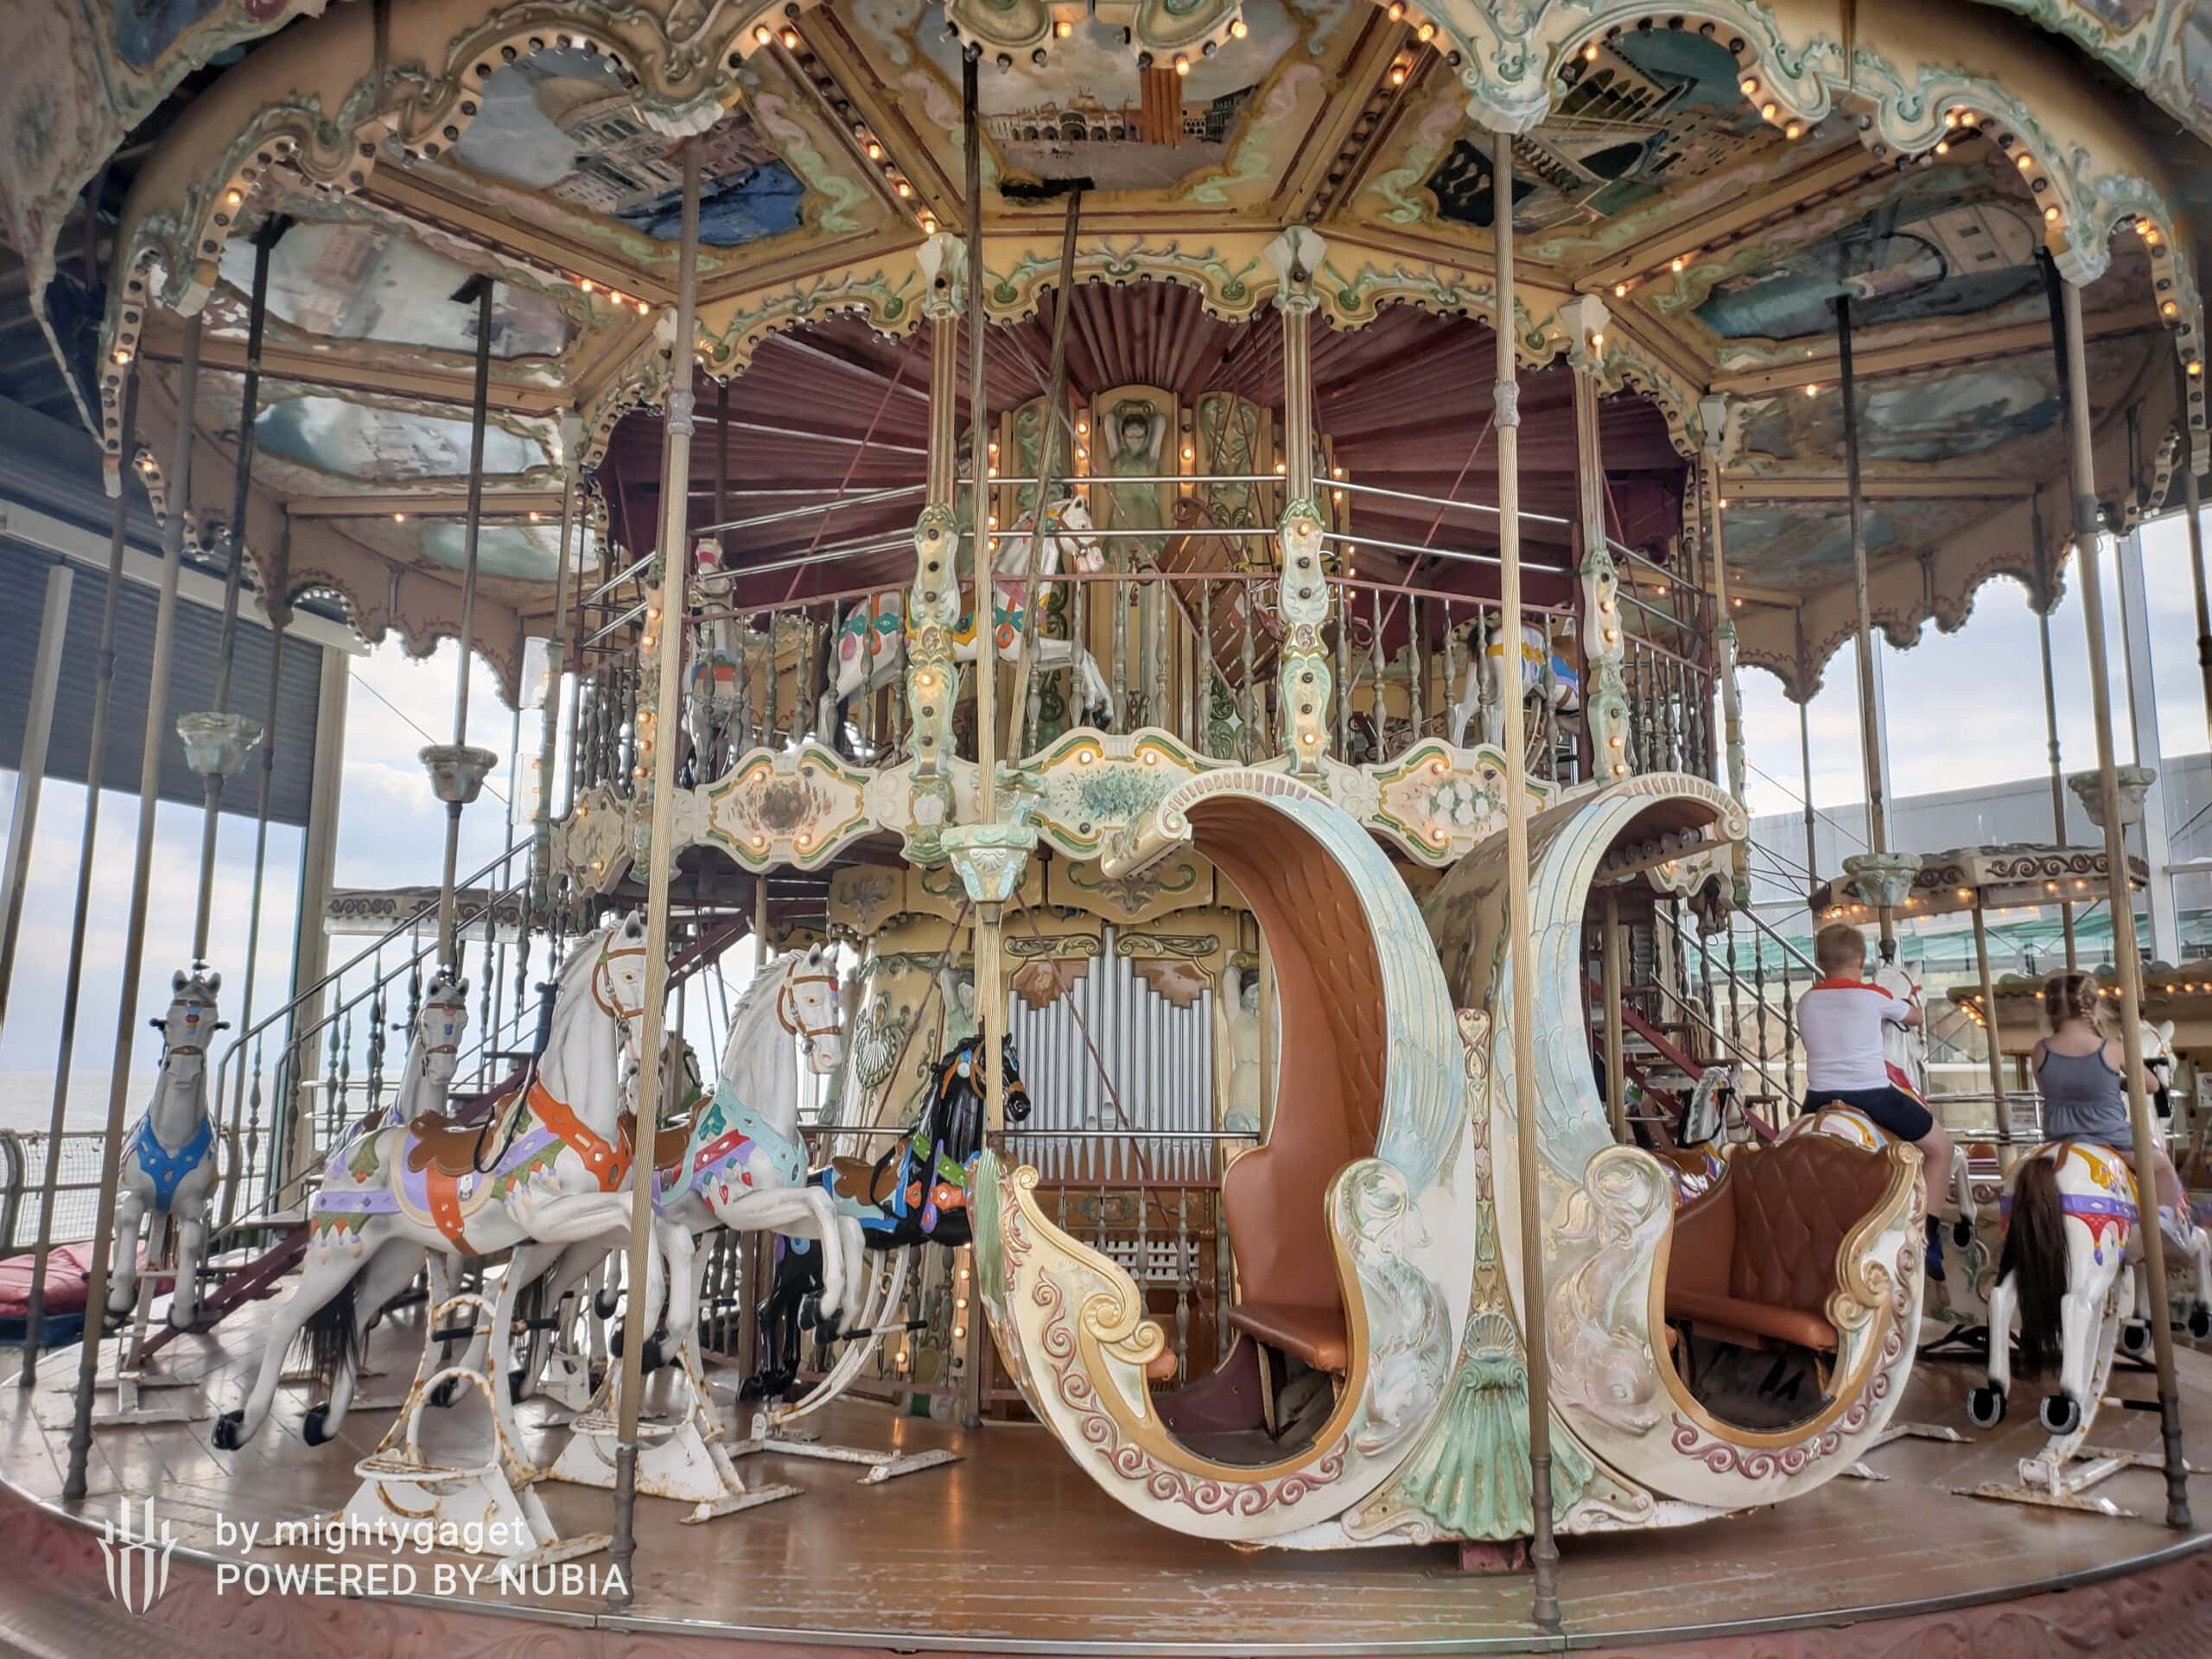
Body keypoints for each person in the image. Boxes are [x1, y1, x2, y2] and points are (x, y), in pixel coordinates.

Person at [2034, 969, 2193, 1249]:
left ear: (2051, 1009)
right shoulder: (2111, 1049)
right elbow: (2152, 1085)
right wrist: (2120, 1081)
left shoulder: (2041, 1050)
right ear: (2093, 1007)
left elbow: (2049, 1092)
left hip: (2058, 1138)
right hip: (2111, 1138)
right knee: (2162, 1168)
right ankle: (2159, 1231)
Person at [1800, 922, 1954, 1212]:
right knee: (1942, 1149)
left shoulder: (1806, 1001)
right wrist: (1900, 1005)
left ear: (1820, 961)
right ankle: (1927, 1230)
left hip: (1818, 1099)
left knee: (1794, 1154)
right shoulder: (1873, 996)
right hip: (1873, 1096)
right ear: (1861, 961)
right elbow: (1916, 1017)